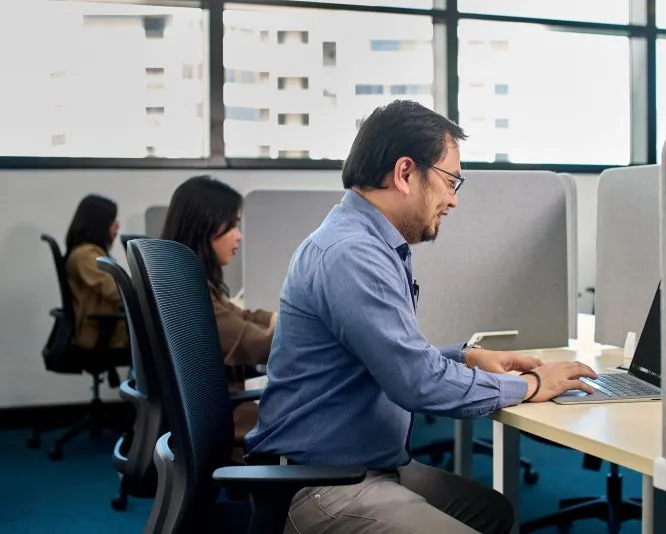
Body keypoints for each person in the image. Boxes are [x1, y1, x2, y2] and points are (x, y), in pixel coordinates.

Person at [245, 100, 598, 534]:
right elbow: (416, 383)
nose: (452, 200)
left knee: (492, 513)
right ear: (405, 173)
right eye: (451, 181)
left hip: (363, 464)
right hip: (320, 482)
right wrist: (532, 385)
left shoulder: (370, 242)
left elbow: (391, 357)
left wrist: (465, 357)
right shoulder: (351, 254)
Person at [160, 175, 276, 448]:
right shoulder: (187, 294)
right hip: (219, 416)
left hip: (204, 408)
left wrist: (275, 318)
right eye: (233, 226)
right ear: (205, 226)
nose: (239, 236)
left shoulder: (182, 278)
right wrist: (315, 325)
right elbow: (254, 345)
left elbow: (236, 316)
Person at [65, 194, 128, 350]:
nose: (117, 228)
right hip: (101, 333)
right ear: (99, 224)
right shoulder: (85, 256)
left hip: (109, 329)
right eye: (113, 222)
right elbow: (116, 290)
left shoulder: (91, 253)